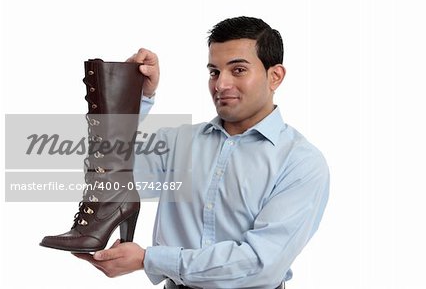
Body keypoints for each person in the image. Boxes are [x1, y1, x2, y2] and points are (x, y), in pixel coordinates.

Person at [74, 16, 330, 289]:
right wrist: (128, 95)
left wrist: (149, 259)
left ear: (275, 76)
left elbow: (259, 264)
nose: (221, 85)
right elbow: (106, 175)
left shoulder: (301, 162)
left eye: (238, 70)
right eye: (214, 72)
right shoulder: (178, 142)